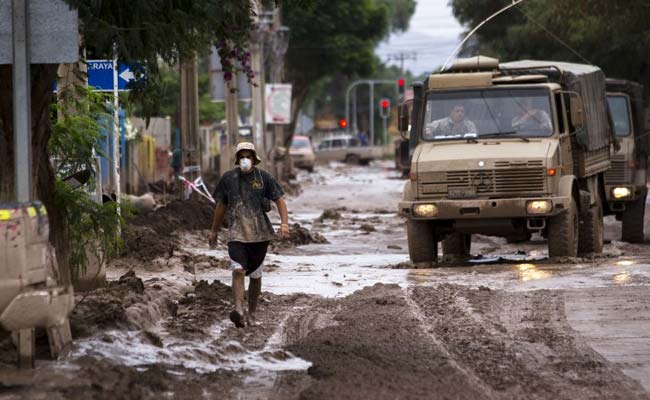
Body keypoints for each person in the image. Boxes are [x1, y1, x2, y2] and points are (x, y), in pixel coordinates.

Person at [208, 142, 290, 328]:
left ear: (254, 159)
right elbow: (221, 206)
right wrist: (214, 230)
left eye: (249, 156)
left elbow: (279, 200)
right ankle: (238, 310)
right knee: (238, 270)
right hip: (236, 233)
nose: (245, 159)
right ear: (238, 159)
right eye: (242, 156)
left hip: (259, 234)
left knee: (255, 275)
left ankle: (251, 313)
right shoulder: (228, 179)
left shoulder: (264, 178)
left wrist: (284, 223)